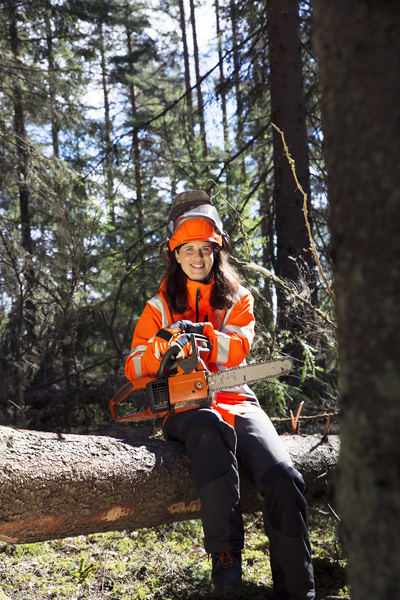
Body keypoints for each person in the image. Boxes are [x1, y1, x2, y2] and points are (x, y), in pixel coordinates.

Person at [125, 190, 315, 598]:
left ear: (218, 251)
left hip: (235, 397)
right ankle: (226, 569)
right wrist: (161, 347)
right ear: (175, 254)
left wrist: (203, 336)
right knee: (208, 429)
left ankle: (298, 587)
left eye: (206, 250)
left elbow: (239, 348)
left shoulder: (237, 298)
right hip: (184, 404)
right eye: (189, 249)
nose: (198, 258)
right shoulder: (159, 307)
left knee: (284, 476)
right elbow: (133, 366)